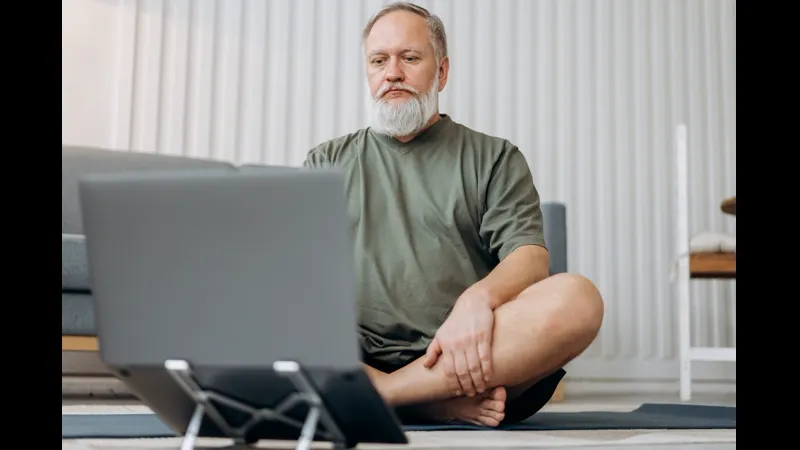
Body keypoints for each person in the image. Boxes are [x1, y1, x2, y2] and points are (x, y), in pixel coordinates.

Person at [304, 1, 604, 427]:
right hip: (357, 359)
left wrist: (476, 300)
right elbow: (299, 277)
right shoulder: (326, 161)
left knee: (579, 300)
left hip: (468, 354)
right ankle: (426, 400)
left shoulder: (495, 157)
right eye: (378, 60)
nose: (393, 73)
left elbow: (531, 258)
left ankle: (391, 395)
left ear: (441, 72)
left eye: (409, 58)